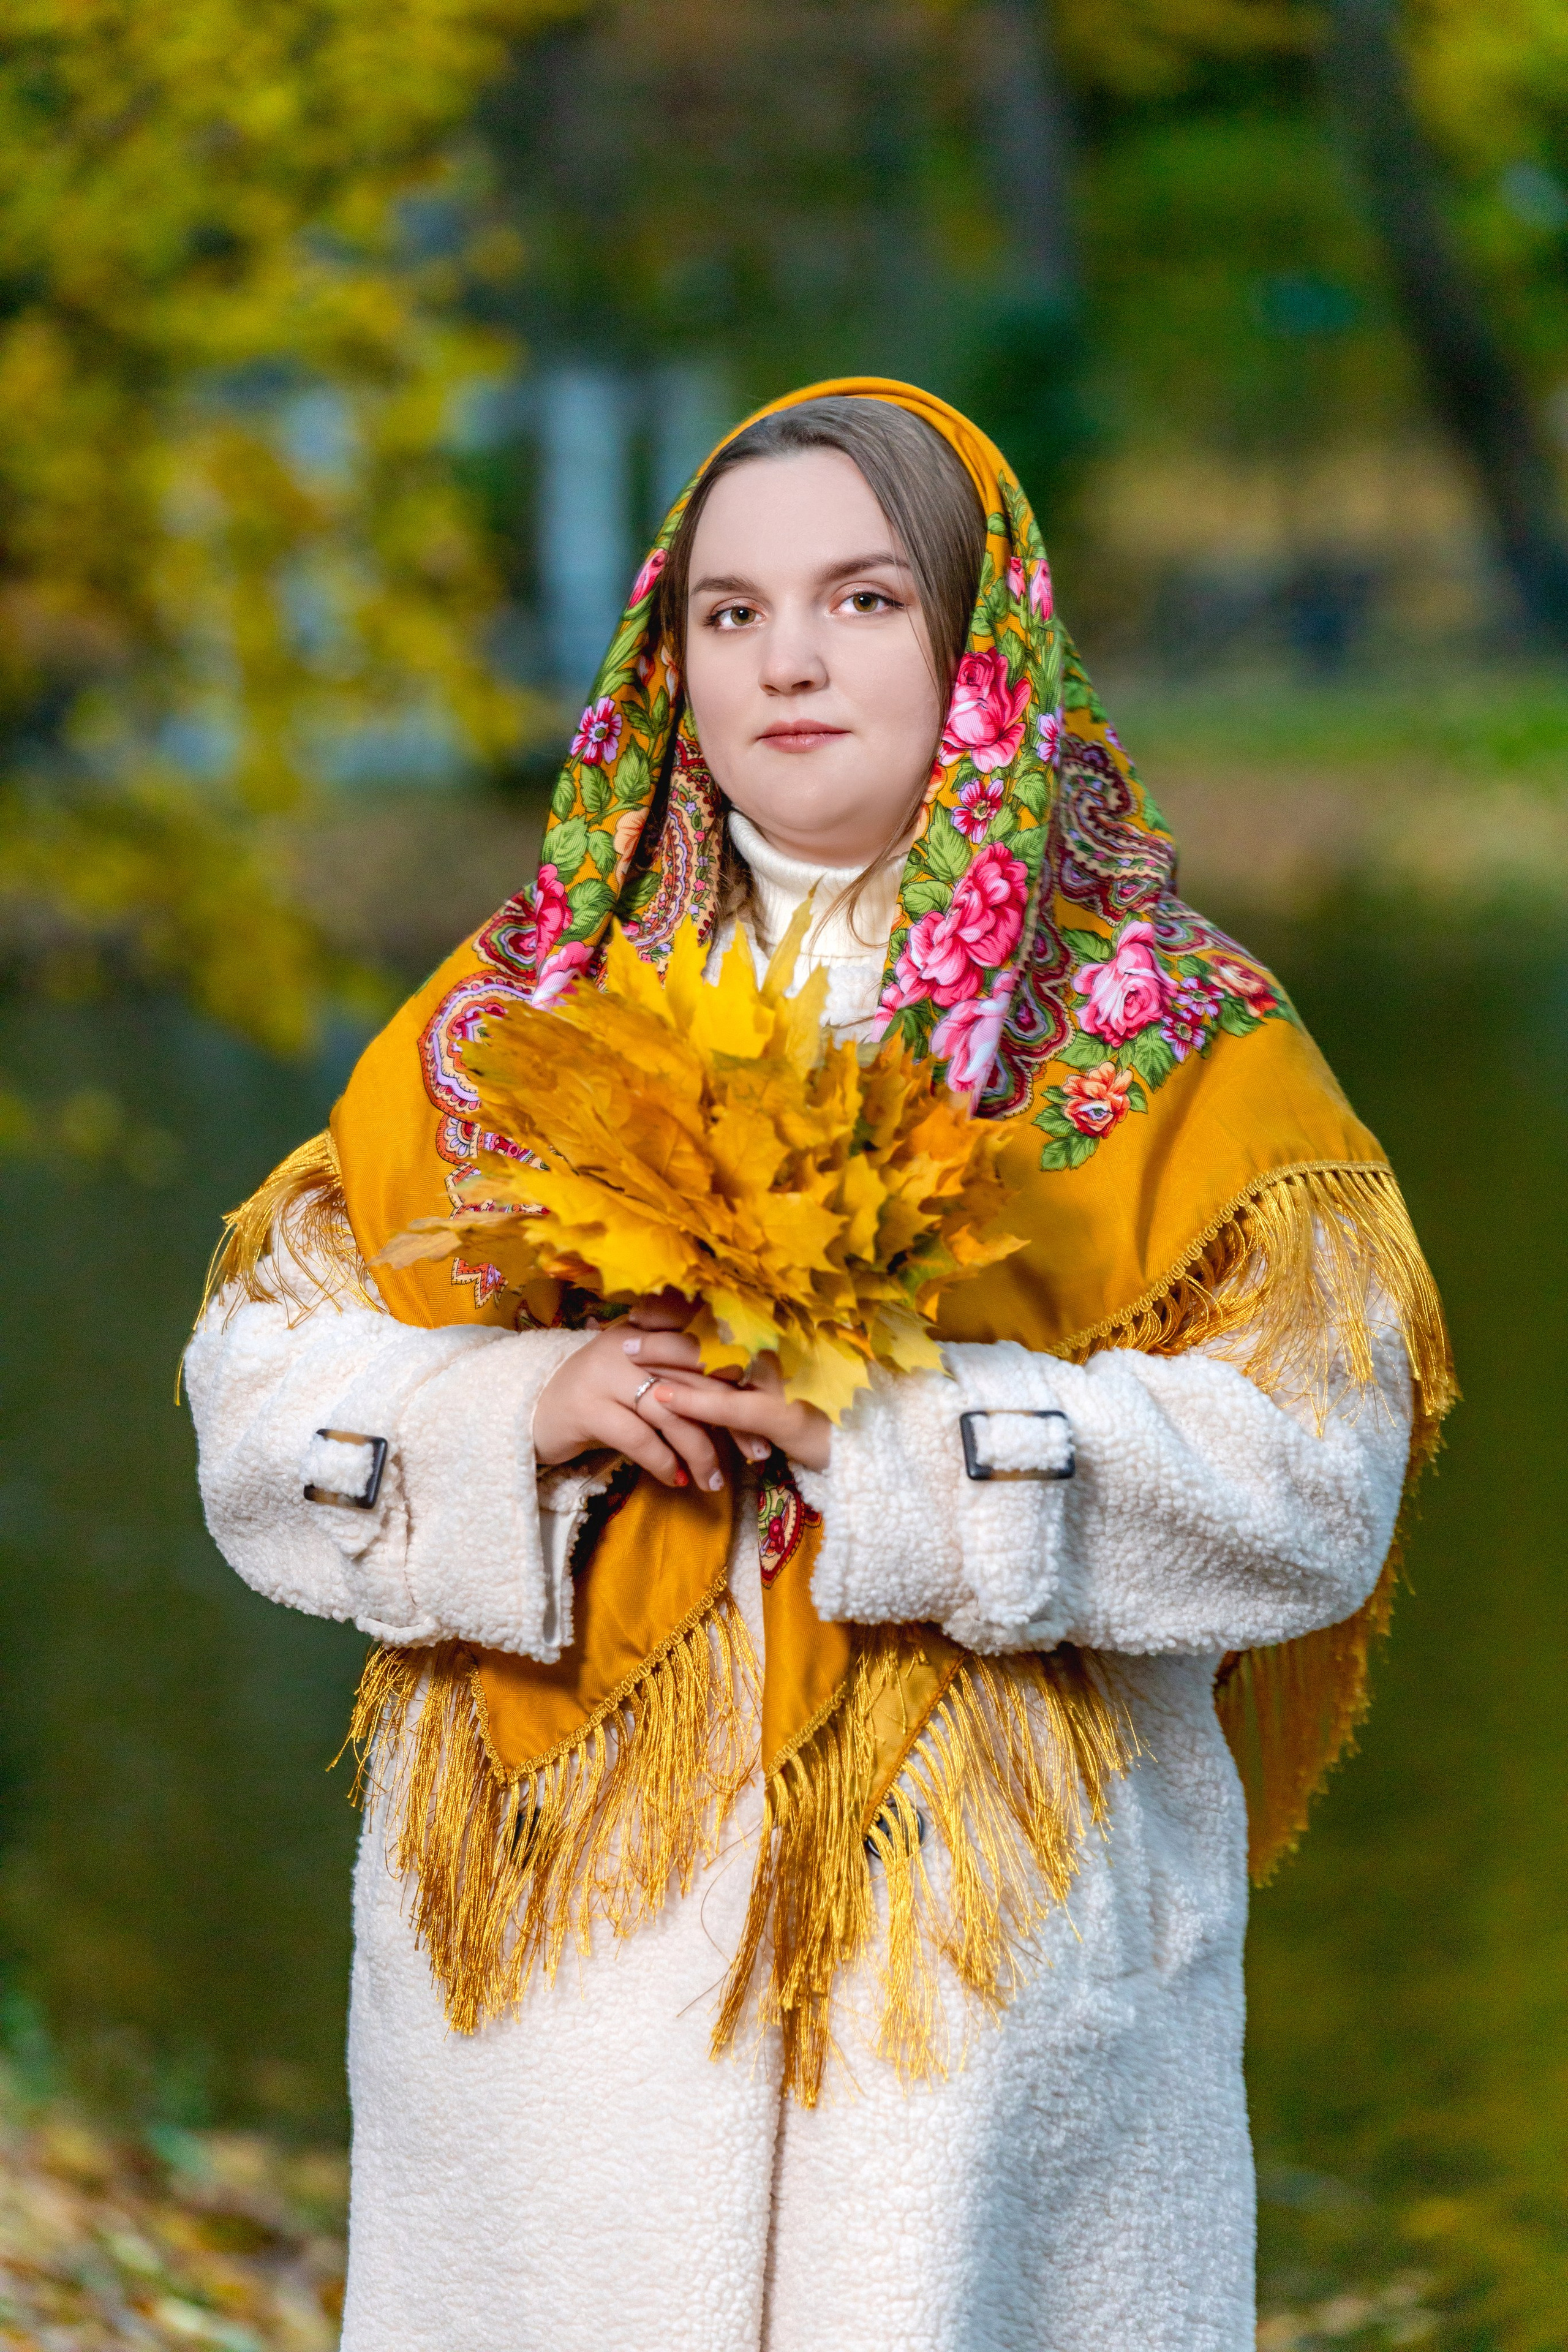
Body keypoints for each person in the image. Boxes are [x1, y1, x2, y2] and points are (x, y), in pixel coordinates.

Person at [185, 379, 1453, 2352]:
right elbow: (258, 1383)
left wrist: (923, 1445)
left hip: (987, 1973)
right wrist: (518, 1411)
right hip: (562, 1978)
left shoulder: (1174, 1038)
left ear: (981, 635)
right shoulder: (516, 1011)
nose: (787, 659)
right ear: (668, 656)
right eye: (731, 610)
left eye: (863, 599)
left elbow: (1317, 1480)